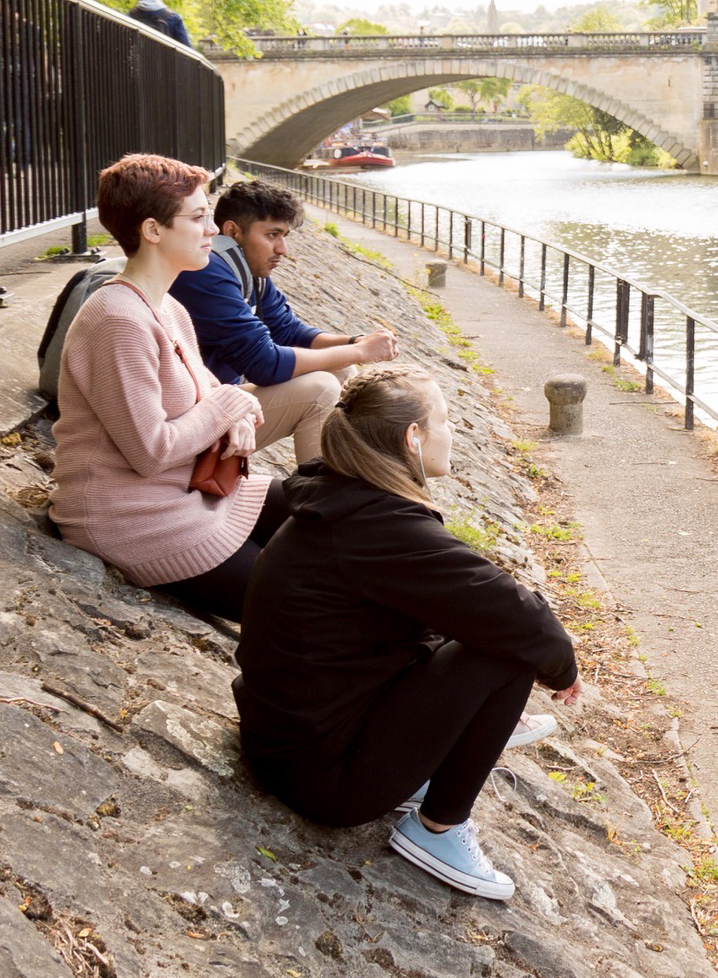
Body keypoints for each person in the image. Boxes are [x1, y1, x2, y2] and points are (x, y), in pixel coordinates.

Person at [235, 365, 581, 901]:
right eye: (444, 420)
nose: (454, 431)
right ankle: (438, 827)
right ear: (412, 438)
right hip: (322, 777)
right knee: (510, 650)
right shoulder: (382, 526)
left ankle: (448, 750)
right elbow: (523, 620)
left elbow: (462, 597)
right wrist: (561, 667)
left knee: (476, 622)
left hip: (286, 739)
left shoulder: (337, 492)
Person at [51, 154, 277, 622]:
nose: (213, 229)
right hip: (137, 521)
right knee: (305, 601)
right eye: (197, 218)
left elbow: (214, 393)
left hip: (191, 493)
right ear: (153, 231)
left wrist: (235, 412)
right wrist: (231, 405)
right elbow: (151, 450)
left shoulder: (167, 307)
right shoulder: (118, 319)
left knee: (328, 509)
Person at [169, 181, 398, 466]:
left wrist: (354, 343)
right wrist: (361, 353)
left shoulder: (245, 269)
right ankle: (321, 501)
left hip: (217, 400)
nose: (283, 249)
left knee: (339, 369)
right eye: (272, 235)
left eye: (284, 235)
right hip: (187, 420)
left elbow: (289, 331)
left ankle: (359, 472)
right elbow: (264, 365)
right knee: (321, 389)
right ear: (232, 232)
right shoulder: (206, 270)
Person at [129, 0, 193, 47]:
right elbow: (186, 48)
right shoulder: (173, 18)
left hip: (136, 58)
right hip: (164, 58)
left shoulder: (129, 17)